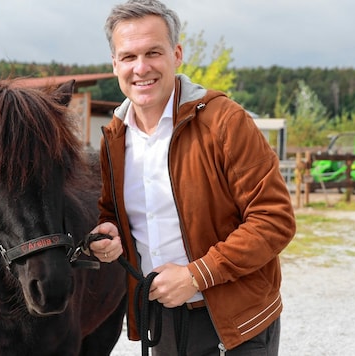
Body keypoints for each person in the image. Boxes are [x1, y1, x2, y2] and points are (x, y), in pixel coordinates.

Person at [88, 0, 296, 354]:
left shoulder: (225, 122)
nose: (141, 68)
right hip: (164, 319)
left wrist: (196, 275)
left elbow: (274, 220)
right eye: (128, 57)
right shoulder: (114, 139)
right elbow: (115, 215)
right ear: (114, 64)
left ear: (177, 54)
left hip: (237, 322)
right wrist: (110, 236)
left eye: (153, 52)